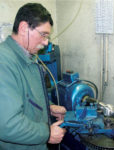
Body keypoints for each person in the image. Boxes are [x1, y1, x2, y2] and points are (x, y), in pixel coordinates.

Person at [0, 3, 66, 150]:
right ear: (24, 28)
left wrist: (47, 108)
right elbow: (7, 124)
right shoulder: (4, 62)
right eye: (43, 35)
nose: (46, 42)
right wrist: (47, 133)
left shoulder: (27, 58)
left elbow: (24, 98)